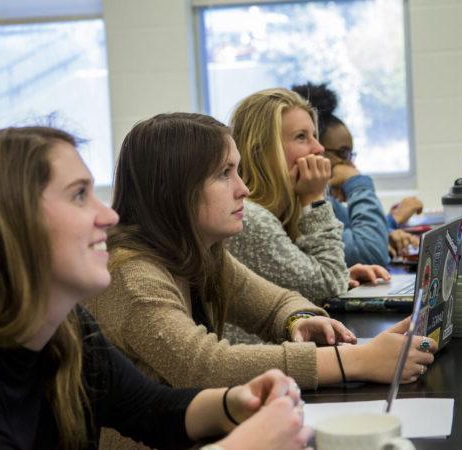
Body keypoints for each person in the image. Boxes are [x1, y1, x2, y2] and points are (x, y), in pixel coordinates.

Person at [0, 126, 312, 450]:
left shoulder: (66, 327)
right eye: (78, 195)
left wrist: (234, 401)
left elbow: (150, 408)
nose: (109, 217)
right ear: (9, 222)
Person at [85, 113, 436, 448]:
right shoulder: (131, 276)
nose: (244, 189)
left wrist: (299, 320)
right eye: (224, 174)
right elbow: (205, 366)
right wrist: (356, 360)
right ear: (172, 189)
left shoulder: (200, 251)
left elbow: (277, 302)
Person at [227, 88, 389, 303]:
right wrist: (314, 197)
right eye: (301, 137)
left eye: (314, 136)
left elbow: (297, 284)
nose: (319, 148)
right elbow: (329, 282)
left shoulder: (284, 209)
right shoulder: (249, 217)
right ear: (261, 152)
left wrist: (343, 275)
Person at [291, 82, 423, 261]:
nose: (350, 165)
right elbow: (370, 252)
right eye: (343, 153)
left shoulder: (326, 201)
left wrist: (389, 228)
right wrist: (356, 182)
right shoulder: (300, 205)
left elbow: (355, 231)